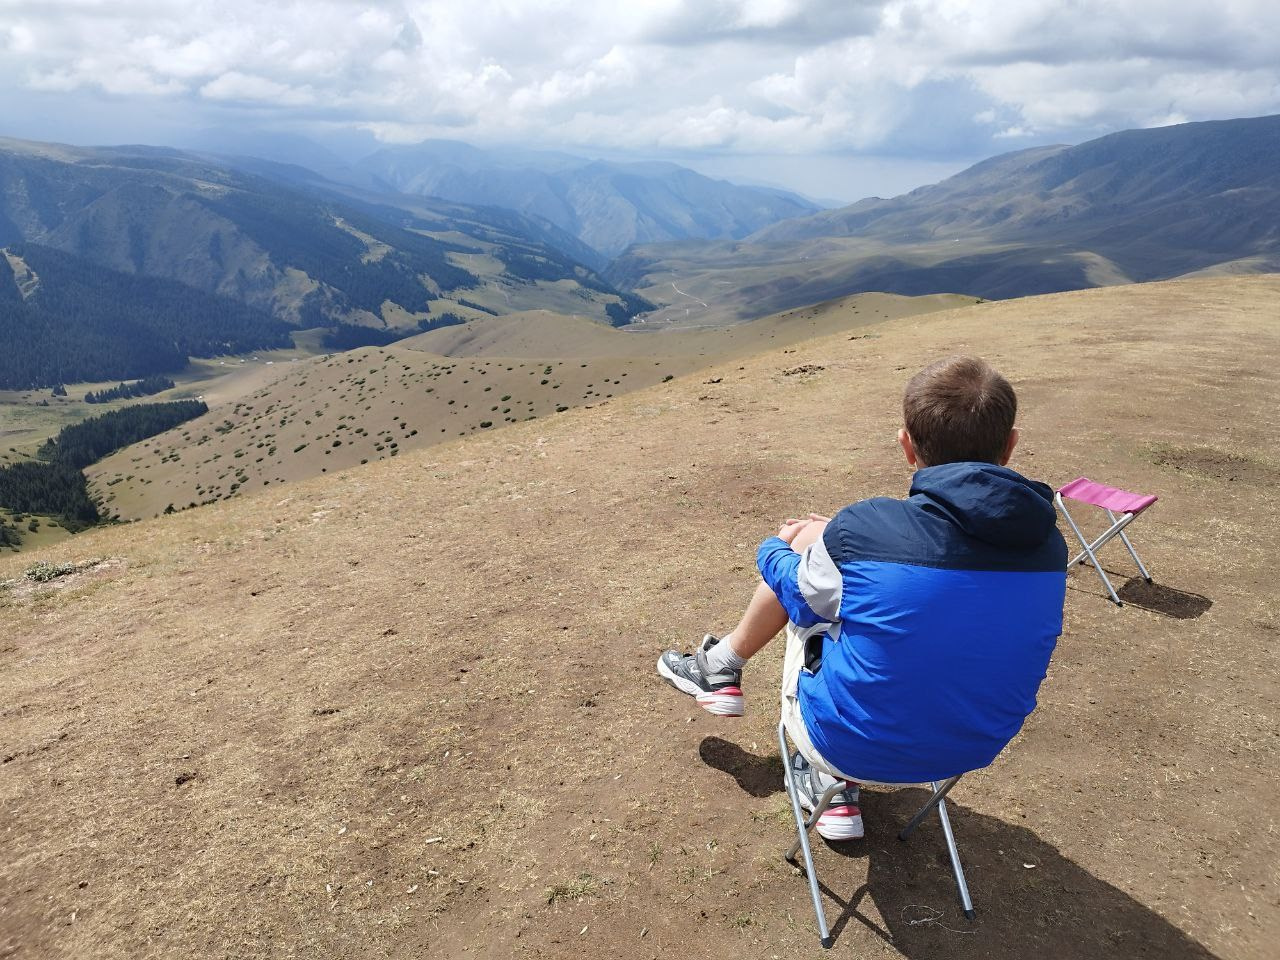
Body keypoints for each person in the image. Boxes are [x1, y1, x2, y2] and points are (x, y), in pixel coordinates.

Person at [658, 355, 1067, 840]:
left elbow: (797, 591)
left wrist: (779, 542)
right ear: (1011, 445)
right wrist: (830, 535)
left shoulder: (867, 527)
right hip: (973, 748)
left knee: (812, 596)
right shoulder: (1048, 547)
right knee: (871, 601)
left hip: (852, 744)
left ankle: (729, 678)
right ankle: (730, 679)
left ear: (907, 446)